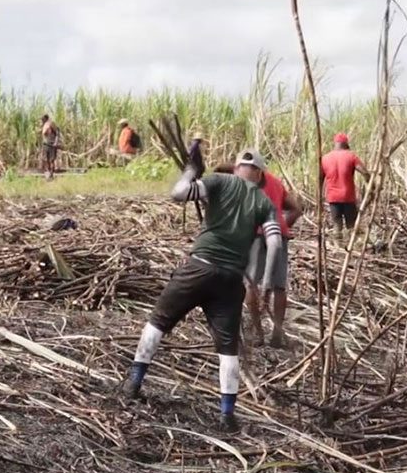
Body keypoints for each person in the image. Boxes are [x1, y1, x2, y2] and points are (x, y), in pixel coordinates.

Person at [123, 147, 282, 433]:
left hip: (198, 268)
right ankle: (227, 415)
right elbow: (275, 243)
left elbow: (178, 193)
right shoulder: (263, 201)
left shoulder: (219, 182)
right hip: (231, 280)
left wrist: (190, 171)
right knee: (227, 350)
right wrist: (265, 282)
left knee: (158, 322)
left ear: (236, 168)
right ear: (259, 175)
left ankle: (133, 383)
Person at [244, 161, 302, 348]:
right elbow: (296, 209)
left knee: (251, 283)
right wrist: (284, 225)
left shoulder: (243, 182)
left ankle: (258, 333)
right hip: (278, 235)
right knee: (279, 286)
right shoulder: (276, 182)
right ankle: (276, 334)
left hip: (257, 234)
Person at [320, 133, 369, 241]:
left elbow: (320, 179)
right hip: (348, 197)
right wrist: (371, 184)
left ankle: (338, 248)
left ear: (335, 144)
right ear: (346, 143)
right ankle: (351, 248)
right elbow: (364, 172)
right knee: (351, 226)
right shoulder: (351, 156)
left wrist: (319, 196)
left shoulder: (325, 158)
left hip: (333, 197)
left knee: (337, 226)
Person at [41, 114, 60, 180]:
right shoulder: (44, 125)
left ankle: (51, 174)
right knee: (45, 159)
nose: (41, 120)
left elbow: (57, 132)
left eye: (42, 119)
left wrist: (56, 142)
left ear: (46, 118)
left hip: (51, 144)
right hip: (45, 144)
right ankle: (48, 174)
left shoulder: (51, 124)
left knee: (51, 160)